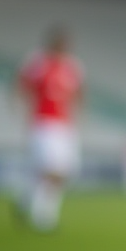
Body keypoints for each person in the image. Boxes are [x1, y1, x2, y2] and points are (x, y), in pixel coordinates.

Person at [15, 27, 84, 231]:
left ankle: (26, 199)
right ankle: (43, 218)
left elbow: (79, 92)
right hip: (44, 123)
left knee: (65, 171)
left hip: (65, 124)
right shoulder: (37, 62)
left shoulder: (73, 66)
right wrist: (23, 110)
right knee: (52, 169)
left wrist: (78, 115)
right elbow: (21, 86)